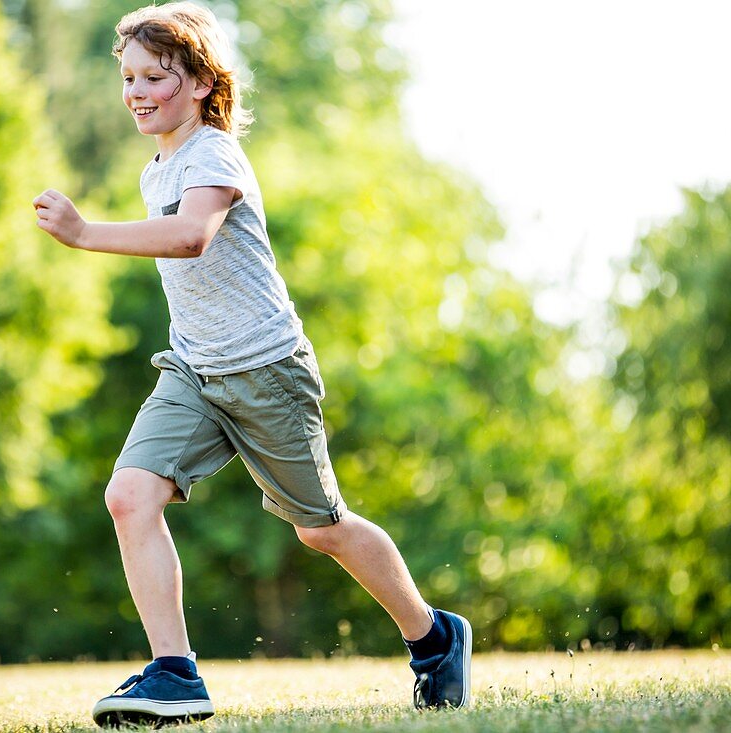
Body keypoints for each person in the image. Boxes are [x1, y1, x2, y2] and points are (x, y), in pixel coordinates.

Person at [32, 2, 471, 726]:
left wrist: (84, 233)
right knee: (128, 495)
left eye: (155, 77)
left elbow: (190, 237)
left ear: (202, 82)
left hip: (267, 370)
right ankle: (175, 672)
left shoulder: (213, 153)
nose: (137, 92)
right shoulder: (158, 165)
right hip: (195, 372)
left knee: (320, 528)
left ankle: (433, 637)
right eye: (130, 77)